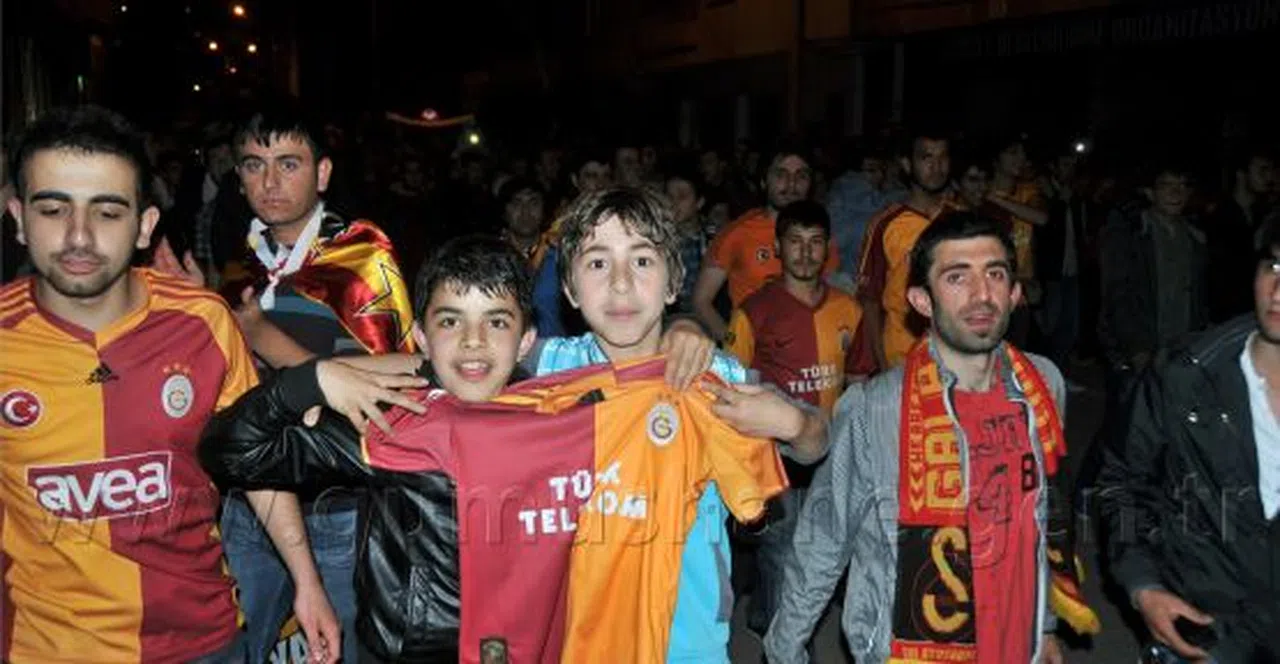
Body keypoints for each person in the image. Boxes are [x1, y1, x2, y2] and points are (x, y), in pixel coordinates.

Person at [765, 211, 1098, 663]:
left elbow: (1039, 514)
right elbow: (824, 539)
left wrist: (1044, 626)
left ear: (1015, 294)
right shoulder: (877, 408)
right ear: (921, 301)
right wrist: (784, 652)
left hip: (1018, 646)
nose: (982, 294)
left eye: (995, 274)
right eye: (957, 277)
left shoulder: (1042, 385)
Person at [524, 185, 831, 662]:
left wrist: (791, 422)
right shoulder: (548, 370)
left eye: (642, 261)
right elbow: (455, 364)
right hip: (577, 639)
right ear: (569, 289)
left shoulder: (714, 379)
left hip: (687, 643)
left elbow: (816, 442)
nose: (621, 283)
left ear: (673, 284)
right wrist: (383, 374)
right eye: (598, 263)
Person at [157, 104, 414, 664]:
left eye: (288, 164)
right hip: (248, 502)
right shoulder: (241, 261)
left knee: (339, 649)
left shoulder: (363, 256)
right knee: (242, 649)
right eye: (254, 165)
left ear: (322, 173)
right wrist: (197, 309)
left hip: (335, 509)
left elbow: (395, 391)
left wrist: (261, 335)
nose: (270, 181)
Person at [0, 105, 258, 662]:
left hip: (202, 640)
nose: (79, 235)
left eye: (108, 212)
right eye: (53, 209)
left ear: (144, 225)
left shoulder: (203, 321)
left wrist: (306, 581)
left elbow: (258, 461)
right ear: (18, 217)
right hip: (44, 648)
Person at [1095, 219, 1280, 663]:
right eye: (1274, 266)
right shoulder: (1185, 375)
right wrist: (1145, 587)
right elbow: (1123, 483)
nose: (1278, 291)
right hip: (1207, 625)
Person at [724, 199, 862, 635]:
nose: (805, 252)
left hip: (833, 453)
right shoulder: (753, 312)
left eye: (815, 242)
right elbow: (732, 388)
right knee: (780, 551)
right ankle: (775, 635)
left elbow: (859, 381)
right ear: (779, 247)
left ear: (828, 249)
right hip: (777, 457)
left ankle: (789, 624)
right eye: (795, 242)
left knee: (830, 547)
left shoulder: (849, 309)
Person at [692, 144, 840, 341]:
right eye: (781, 175)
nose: (792, 184)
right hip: (754, 347)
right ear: (763, 181)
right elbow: (701, 301)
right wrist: (735, 345)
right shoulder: (738, 232)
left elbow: (833, 294)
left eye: (801, 176)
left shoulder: (820, 235)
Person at [853, 129, 953, 372]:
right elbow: (870, 300)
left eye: (942, 157)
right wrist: (882, 364)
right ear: (908, 164)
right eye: (927, 158)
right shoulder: (885, 224)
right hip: (900, 356)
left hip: (953, 354)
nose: (936, 166)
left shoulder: (960, 220)